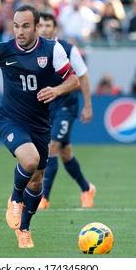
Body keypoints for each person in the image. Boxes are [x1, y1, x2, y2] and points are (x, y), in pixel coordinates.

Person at [0, 5, 80, 248]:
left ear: (38, 27)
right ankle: (15, 199)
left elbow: (73, 79)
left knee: (37, 180)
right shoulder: (1, 49)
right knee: (29, 160)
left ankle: (24, 231)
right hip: (10, 119)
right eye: (16, 26)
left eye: (26, 26)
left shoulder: (52, 50)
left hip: (40, 124)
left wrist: (57, 89)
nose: (20, 31)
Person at [37, 12, 96, 210]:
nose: (44, 29)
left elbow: (83, 76)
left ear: (55, 28)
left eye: (47, 25)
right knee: (65, 152)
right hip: (46, 105)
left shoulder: (67, 49)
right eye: (41, 25)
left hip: (66, 104)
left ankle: (43, 198)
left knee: (52, 147)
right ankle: (86, 188)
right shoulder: (35, 48)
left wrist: (88, 106)